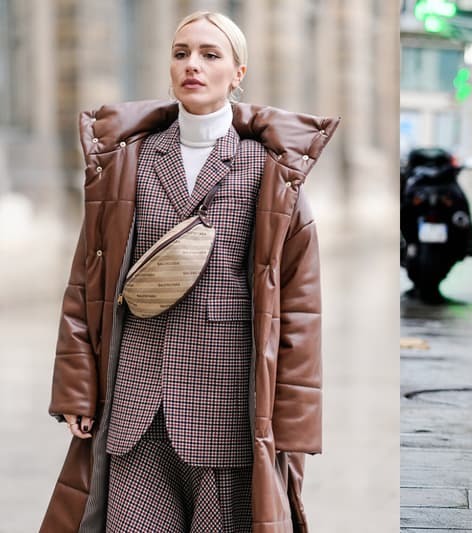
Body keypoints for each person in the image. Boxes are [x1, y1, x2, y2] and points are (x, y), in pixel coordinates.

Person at [41, 11, 339, 532]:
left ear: (237, 72)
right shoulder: (127, 163)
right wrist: (75, 388)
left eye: (209, 54)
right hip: (136, 412)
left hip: (228, 416)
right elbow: (84, 285)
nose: (192, 65)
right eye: (181, 54)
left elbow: (299, 310)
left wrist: (292, 428)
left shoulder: (272, 173)